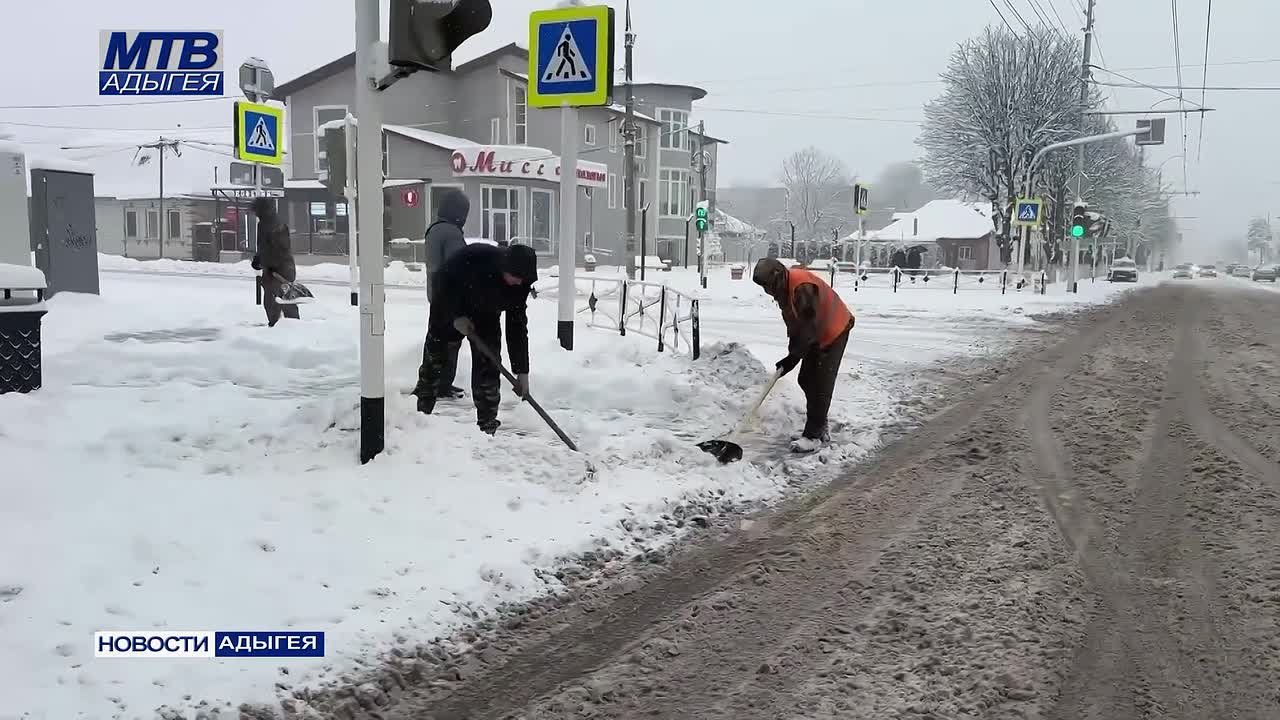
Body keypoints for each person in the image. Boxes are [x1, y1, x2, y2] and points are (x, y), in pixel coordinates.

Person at [413, 242, 538, 435]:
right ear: (504, 268)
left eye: (523, 279)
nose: (519, 283)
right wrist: (455, 316)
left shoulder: (521, 283)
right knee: (434, 363)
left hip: (486, 317)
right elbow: (440, 284)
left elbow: (517, 327)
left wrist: (522, 370)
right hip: (449, 307)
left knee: (489, 367)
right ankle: (418, 417)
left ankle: (487, 427)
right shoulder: (476, 260)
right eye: (516, 277)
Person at [752, 258, 855, 453]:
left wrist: (793, 358)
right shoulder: (784, 291)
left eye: (768, 286)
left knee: (820, 382)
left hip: (835, 329)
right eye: (764, 287)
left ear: (777, 276)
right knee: (806, 379)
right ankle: (819, 427)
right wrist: (792, 354)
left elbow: (808, 327)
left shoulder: (801, 287)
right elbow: (796, 328)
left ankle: (813, 436)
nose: (767, 291)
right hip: (818, 333)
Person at [423, 189, 470, 399]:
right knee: (450, 342)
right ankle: (442, 384)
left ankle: (434, 383)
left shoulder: (434, 229)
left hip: (436, 293)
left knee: (436, 338)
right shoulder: (451, 233)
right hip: (450, 297)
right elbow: (459, 266)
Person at [250, 197, 299, 327]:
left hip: (282, 269)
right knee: (271, 302)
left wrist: (269, 263)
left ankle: (295, 328)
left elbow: (282, 248)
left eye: (257, 212)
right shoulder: (262, 224)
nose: (256, 215)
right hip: (271, 269)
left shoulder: (277, 225)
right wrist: (258, 258)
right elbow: (263, 247)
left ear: (263, 210)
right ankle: (275, 326)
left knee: (285, 301)